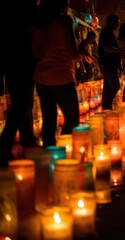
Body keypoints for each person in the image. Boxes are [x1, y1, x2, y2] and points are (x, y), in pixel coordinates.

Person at [31, 0, 80, 147]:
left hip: (41, 78)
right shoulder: (65, 21)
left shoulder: (38, 24)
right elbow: (73, 52)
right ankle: (62, 151)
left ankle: (49, 155)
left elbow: (35, 52)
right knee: (72, 119)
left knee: (49, 121)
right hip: (62, 77)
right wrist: (81, 51)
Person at [0, 0, 39, 162]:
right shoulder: (25, 13)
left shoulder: (12, 12)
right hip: (21, 62)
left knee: (25, 103)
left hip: (14, 63)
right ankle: (4, 143)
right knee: (21, 105)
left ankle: (27, 139)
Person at [98, 14, 121, 110]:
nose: (118, 25)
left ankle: (105, 106)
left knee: (108, 86)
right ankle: (107, 103)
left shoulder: (110, 33)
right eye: (117, 22)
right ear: (112, 22)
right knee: (115, 85)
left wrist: (118, 64)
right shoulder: (106, 32)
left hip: (110, 64)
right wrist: (119, 50)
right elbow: (106, 48)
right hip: (107, 64)